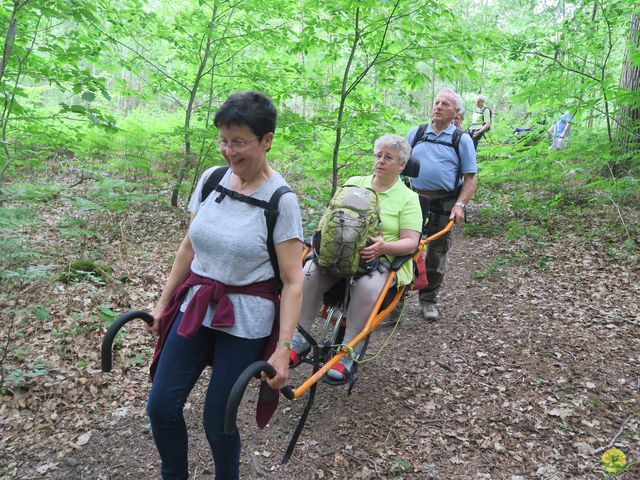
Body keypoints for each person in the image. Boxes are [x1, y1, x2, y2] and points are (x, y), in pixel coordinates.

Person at [145, 91, 304, 480]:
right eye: (224, 140)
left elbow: (292, 280)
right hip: (196, 305)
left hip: (246, 319)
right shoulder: (212, 179)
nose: (229, 151)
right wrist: (163, 304)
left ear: (267, 140)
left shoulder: (281, 201)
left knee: (219, 420)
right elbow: (188, 246)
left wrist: (283, 350)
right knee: (161, 406)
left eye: (239, 142)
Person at [289, 134, 422, 380]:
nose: (381, 161)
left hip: (379, 261)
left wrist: (384, 247)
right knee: (308, 273)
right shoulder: (354, 183)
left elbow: (412, 242)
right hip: (338, 254)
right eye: (378, 155)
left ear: (401, 165)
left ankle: (349, 352)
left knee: (368, 286)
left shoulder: (408, 198)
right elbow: (329, 218)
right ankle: (299, 338)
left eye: (388, 157)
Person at [407, 88, 477, 322]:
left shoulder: (461, 139)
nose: (438, 107)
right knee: (403, 249)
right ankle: (393, 301)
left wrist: (460, 205)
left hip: (444, 203)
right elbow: (399, 167)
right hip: (413, 200)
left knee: (436, 254)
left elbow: (470, 178)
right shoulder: (416, 134)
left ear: (456, 111)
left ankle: (428, 301)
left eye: (445, 104)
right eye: (436, 102)